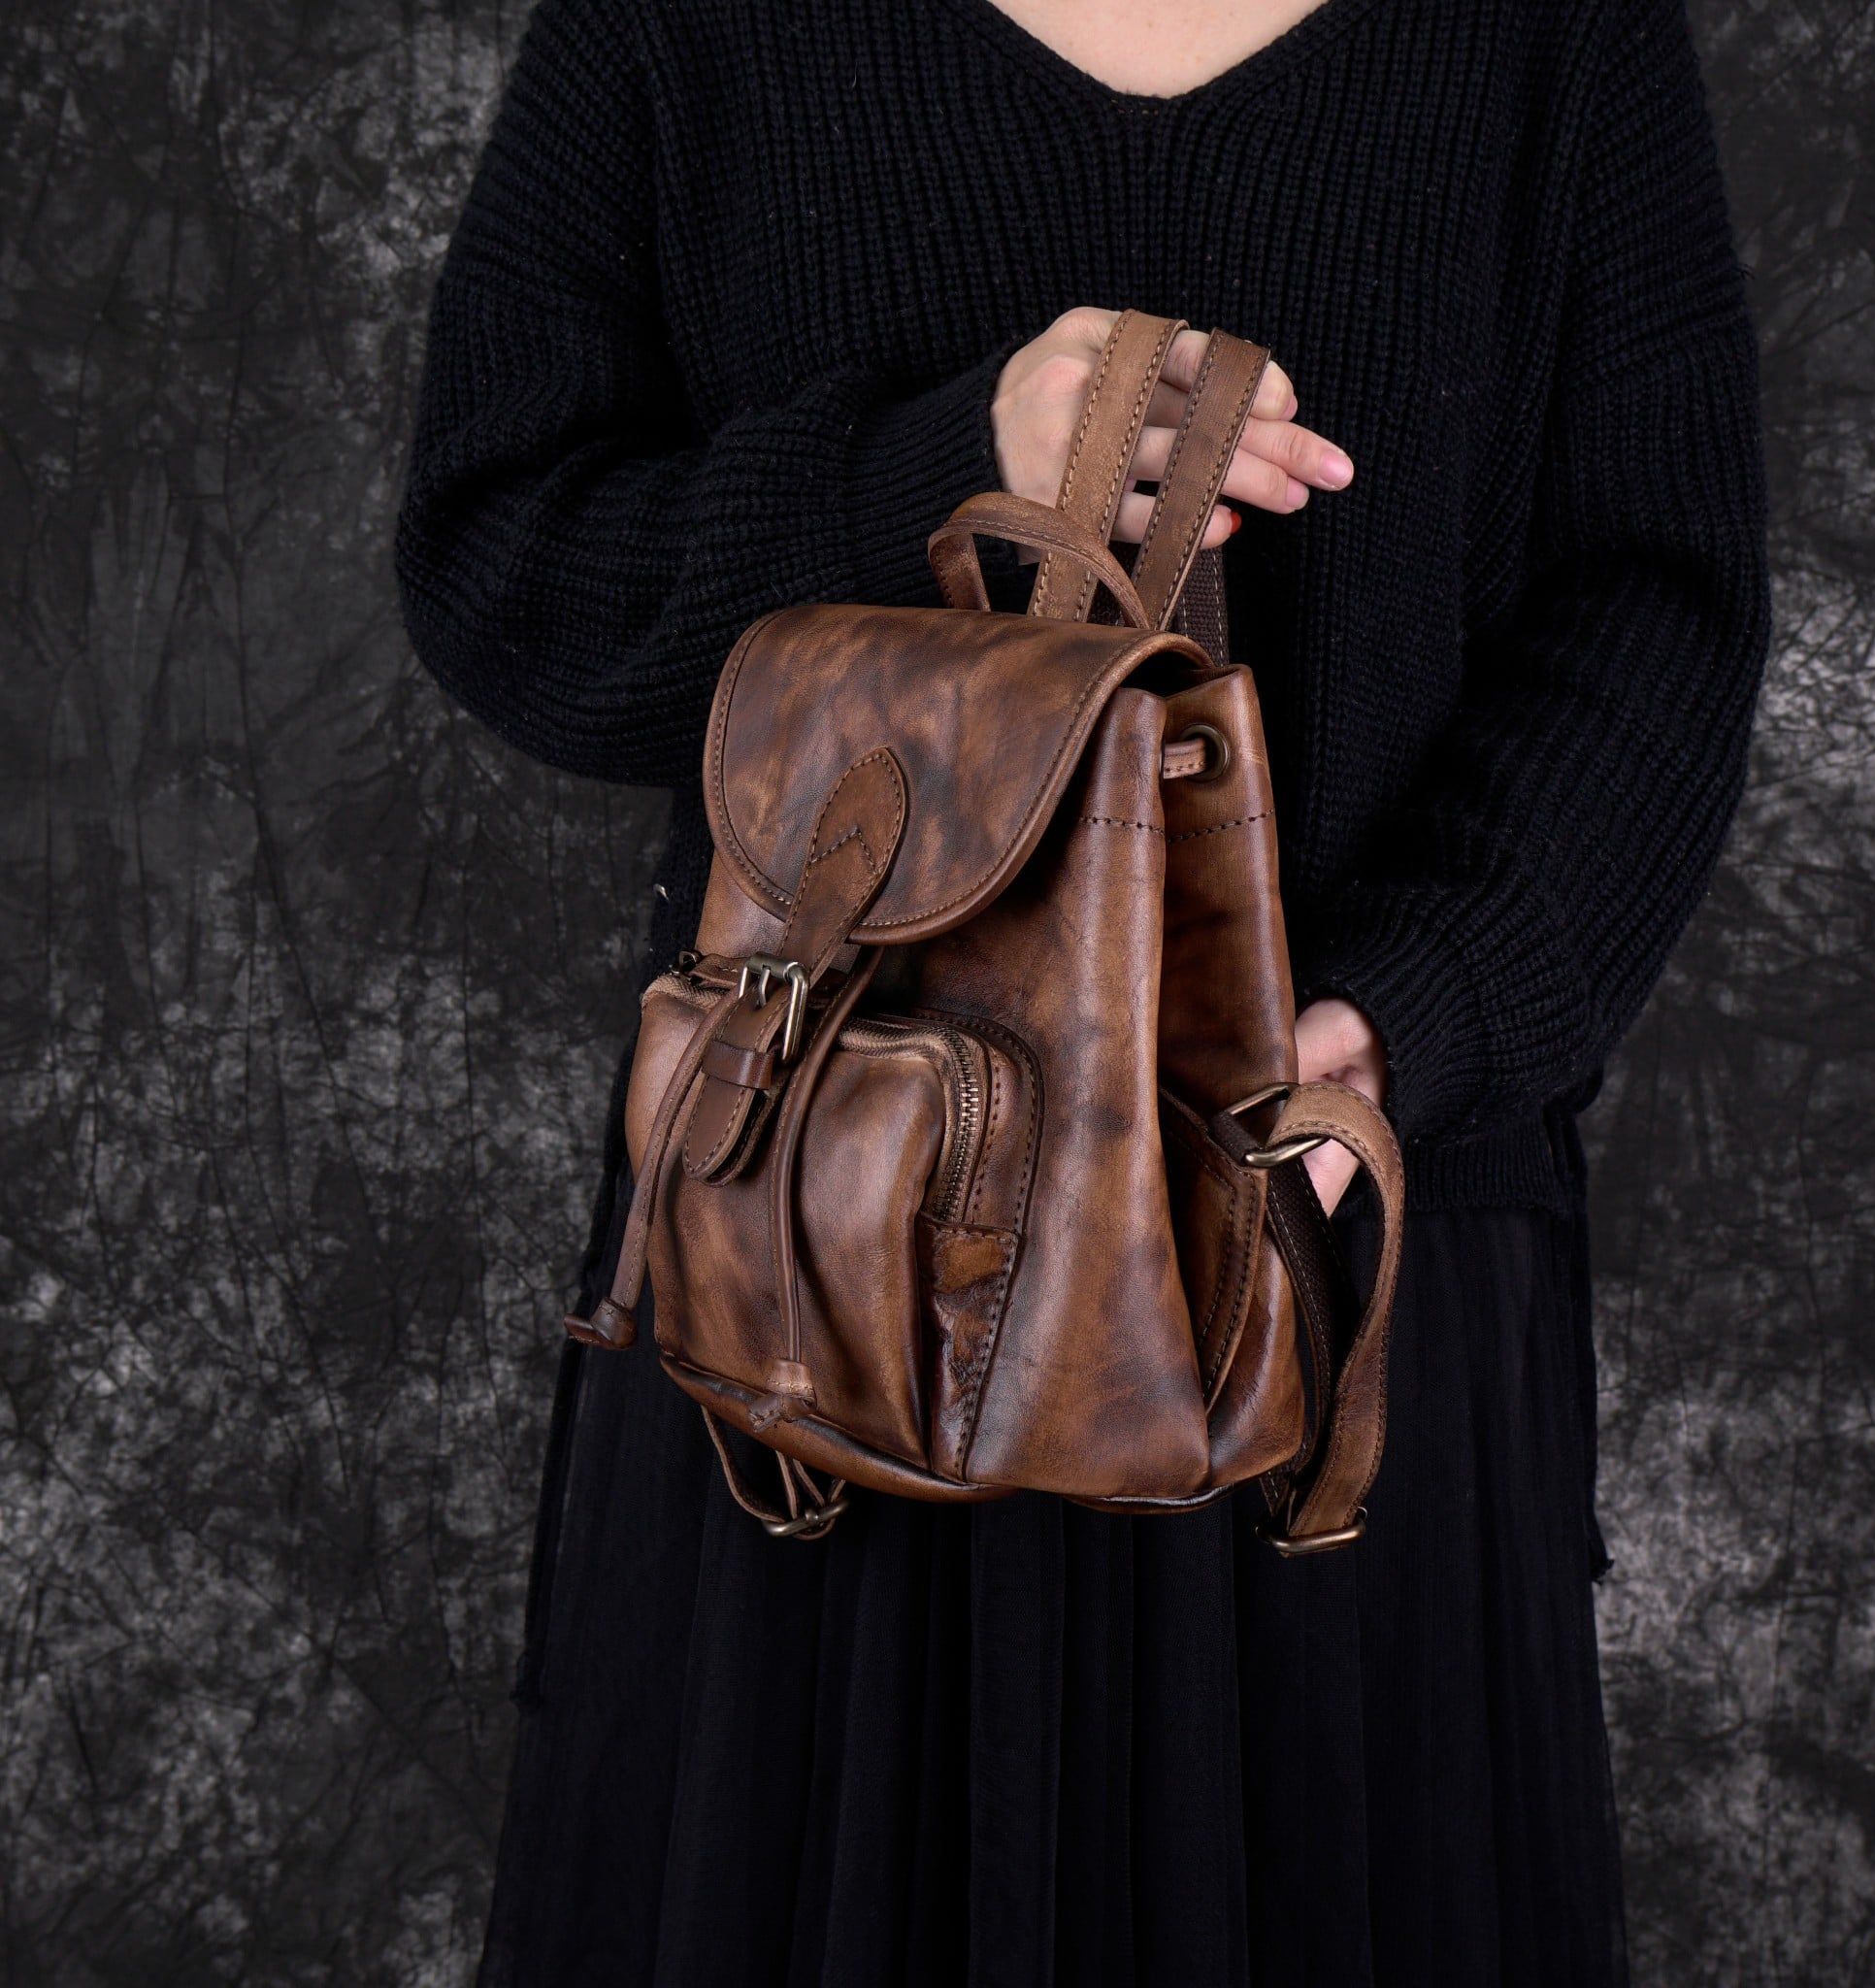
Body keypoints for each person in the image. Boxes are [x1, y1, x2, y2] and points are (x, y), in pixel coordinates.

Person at [394, 0, 1770, 1980]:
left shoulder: (1554, 38)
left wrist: (1409, 1020)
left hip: (1329, 1264)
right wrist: (933, 470)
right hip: (818, 1273)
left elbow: (1659, 603)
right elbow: (506, 563)